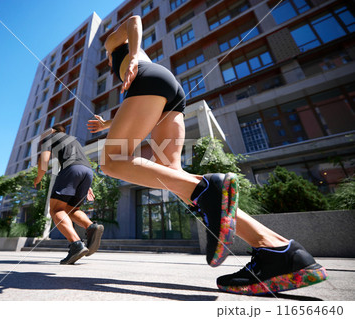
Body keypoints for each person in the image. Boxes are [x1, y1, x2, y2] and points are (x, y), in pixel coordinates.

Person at [87, 15, 327, 295]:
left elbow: (134, 20)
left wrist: (133, 58)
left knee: (113, 161)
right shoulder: (134, 66)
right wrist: (107, 124)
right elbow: (139, 108)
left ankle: (209, 187)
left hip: (147, 79)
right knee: (173, 178)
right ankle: (279, 251)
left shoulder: (110, 44)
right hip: (167, 91)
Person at [34, 124, 104, 265]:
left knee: (55, 210)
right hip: (87, 172)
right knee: (71, 210)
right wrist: (87, 186)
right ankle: (91, 227)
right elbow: (81, 162)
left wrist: (38, 178)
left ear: (53, 131)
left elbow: (44, 161)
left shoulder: (50, 138)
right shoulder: (73, 140)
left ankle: (76, 244)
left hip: (71, 170)